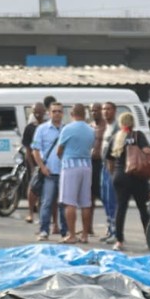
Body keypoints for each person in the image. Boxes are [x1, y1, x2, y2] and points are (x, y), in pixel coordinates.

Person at [105, 111, 150, 252]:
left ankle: (119, 241)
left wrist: (113, 173)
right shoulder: (138, 135)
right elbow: (148, 151)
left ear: (121, 123)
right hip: (137, 175)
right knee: (143, 208)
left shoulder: (116, 137)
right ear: (133, 123)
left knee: (121, 208)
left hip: (120, 176)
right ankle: (149, 240)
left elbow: (109, 158)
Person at [57, 103, 95, 244]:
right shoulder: (91, 130)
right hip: (86, 166)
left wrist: (63, 158)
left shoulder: (67, 129)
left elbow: (59, 150)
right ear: (84, 115)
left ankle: (72, 235)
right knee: (85, 203)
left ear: (72, 114)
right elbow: (91, 147)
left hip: (70, 166)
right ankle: (84, 235)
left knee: (69, 202)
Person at [32, 102, 67, 241]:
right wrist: (42, 167)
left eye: (59, 111)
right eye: (54, 111)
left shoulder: (66, 129)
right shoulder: (42, 129)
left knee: (63, 204)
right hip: (49, 173)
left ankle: (65, 232)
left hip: (64, 172)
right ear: (49, 113)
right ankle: (44, 230)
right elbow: (35, 150)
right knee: (46, 203)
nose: (57, 114)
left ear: (63, 113)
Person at [98, 101, 119, 242]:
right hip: (104, 166)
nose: (105, 112)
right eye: (104, 109)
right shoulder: (107, 127)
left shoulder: (117, 127)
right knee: (105, 199)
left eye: (108, 109)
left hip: (113, 167)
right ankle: (110, 229)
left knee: (112, 200)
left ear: (114, 111)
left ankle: (116, 232)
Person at [22, 102, 47, 224]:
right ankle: (30, 213)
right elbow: (28, 149)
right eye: (34, 111)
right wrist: (32, 166)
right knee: (32, 188)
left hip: (46, 162)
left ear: (44, 112)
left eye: (39, 111)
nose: (37, 114)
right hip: (34, 162)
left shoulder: (48, 127)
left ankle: (44, 215)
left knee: (46, 189)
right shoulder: (29, 128)